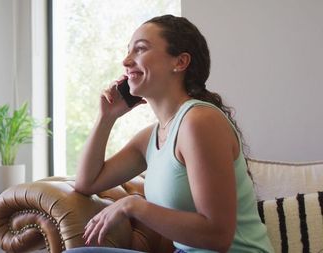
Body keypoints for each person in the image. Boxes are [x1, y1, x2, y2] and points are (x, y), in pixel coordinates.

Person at [67, 15, 274, 253]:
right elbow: (87, 182)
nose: (126, 61)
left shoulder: (200, 121)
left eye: (140, 49)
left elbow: (218, 236)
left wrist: (134, 206)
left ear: (180, 62)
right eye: (128, 51)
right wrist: (106, 117)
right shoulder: (150, 138)